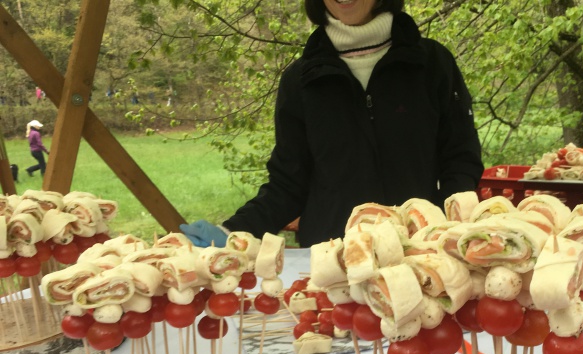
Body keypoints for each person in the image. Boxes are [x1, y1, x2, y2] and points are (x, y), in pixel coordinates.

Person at [181, 0, 483, 248]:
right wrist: (231, 231)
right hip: (331, 262)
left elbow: (460, 161)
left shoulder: (432, 64)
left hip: (419, 257)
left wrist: (449, 231)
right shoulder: (300, 82)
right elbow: (288, 185)